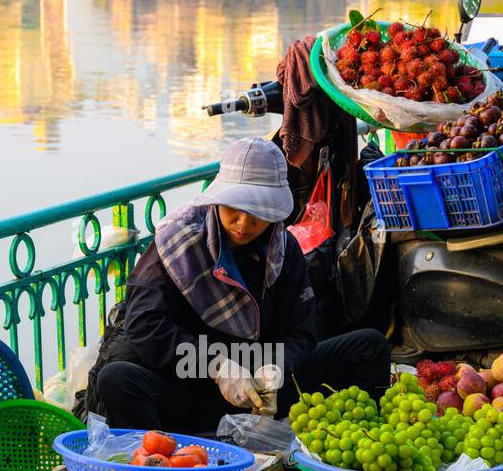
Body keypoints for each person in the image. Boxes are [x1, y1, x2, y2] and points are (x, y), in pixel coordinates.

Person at [88, 137, 389, 433]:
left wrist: (275, 369)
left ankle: (348, 444)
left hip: (256, 384)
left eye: (257, 213)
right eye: (234, 208)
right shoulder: (176, 243)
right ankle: (176, 460)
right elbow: (145, 325)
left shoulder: (284, 249)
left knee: (369, 346)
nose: (243, 223)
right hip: (189, 380)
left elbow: (301, 331)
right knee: (117, 380)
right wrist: (216, 367)